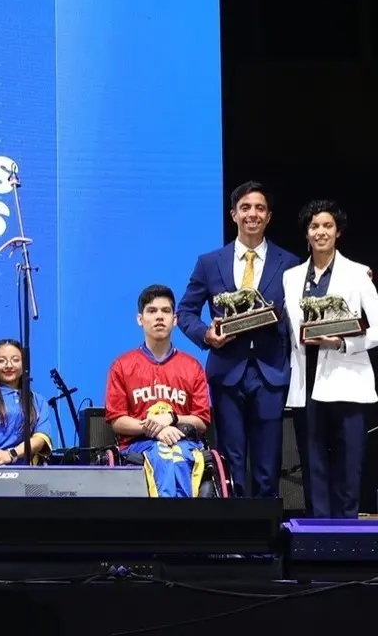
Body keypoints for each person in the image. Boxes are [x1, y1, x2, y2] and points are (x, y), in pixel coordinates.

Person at [176, 181, 296, 498]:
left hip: (271, 372)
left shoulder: (290, 263)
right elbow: (186, 311)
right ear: (233, 214)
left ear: (268, 216)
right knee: (230, 461)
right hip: (227, 371)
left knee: (268, 464)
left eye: (259, 208)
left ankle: (267, 540)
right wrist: (206, 335)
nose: (252, 214)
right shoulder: (209, 261)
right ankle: (234, 539)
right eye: (245, 208)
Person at [283, 200, 377, 519]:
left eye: (327, 226)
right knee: (312, 464)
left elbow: (377, 328)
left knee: (348, 464)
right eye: (314, 226)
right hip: (305, 381)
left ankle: (347, 530)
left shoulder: (357, 273)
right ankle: (318, 531)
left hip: (348, 380)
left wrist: (342, 343)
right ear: (306, 233)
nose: (320, 232)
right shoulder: (292, 277)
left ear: (338, 232)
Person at [106, 284, 212, 497]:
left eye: (166, 311)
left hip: (184, 443)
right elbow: (117, 421)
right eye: (152, 311)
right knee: (163, 454)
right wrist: (156, 429)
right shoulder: (122, 365)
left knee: (175, 455)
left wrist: (172, 419)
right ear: (140, 319)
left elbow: (201, 420)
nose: (159, 317)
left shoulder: (192, 366)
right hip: (138, 446)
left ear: (175, 320)